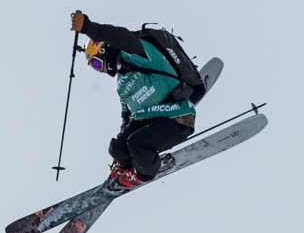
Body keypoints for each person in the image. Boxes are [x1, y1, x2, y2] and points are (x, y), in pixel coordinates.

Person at [70, 11, 205, 189]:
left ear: (104, 50)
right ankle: (128, 169)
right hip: (150, 121)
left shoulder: (136, 52)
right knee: (117, 148)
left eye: (97, 63)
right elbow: (127, 117)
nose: (101, 69)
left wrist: (88, 27)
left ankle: (144, 171)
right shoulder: (122, 82)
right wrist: (120, 156)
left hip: (177, 118)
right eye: (95, 67)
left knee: (137, 143)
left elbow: (119, 36)